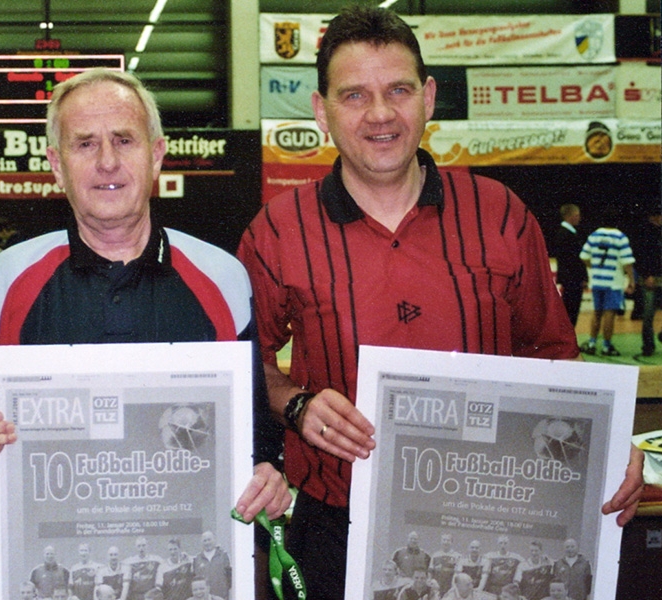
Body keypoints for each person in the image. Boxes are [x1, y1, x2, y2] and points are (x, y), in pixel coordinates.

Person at [235, 7, 644, 598]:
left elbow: (555, 357)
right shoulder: (275, 231)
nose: (380, 114)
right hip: (334, 528)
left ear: (427, 97)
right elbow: (254, 368)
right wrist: (298, 406)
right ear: (321, 111)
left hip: (493, 518)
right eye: (354, 95)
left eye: (398, 90)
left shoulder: (501, 213)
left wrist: (609, 444)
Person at [0, 66, 290, 597]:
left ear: (155, 154)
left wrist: (268, 474)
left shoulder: (222, 278)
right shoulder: (6, 281)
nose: (107, 162)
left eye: (124, 140)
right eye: (85, 144)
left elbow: (253, 442)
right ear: (56, 166)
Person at [579, 225, 635, 356]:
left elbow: (584, 255)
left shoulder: (594, 235)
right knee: (609, 314)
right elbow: (627, 261)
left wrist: (594, 268)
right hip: (613, 281)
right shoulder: (620, 237)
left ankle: (592, 343)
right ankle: (606, 345)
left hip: (597, 280)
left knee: (596, 312)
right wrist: (631, 280)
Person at [549, 204, 587, 327]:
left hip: (570, 279)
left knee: (570, 311)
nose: (579, 218)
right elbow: (573, 260)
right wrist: (582, 277)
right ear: (569, 216)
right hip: (572, 279)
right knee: (571, 311)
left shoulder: (565, 233)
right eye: (577, 215)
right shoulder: (566, 234)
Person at [632, 210, 661, 359]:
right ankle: (648, 346)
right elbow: (637, 256)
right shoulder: (644, 233)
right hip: (649, 279)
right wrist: (646, 275)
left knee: (649, 315)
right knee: (648, 315)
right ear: (655, 216)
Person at [192, 531, 230, 599]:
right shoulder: (197, 559)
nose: (207, 543)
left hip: (221, 595)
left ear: (214, 540)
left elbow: (229, 577)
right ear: (201, 543)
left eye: (209, 539)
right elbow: (194, 578)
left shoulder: (223, 556)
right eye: (205, 540)